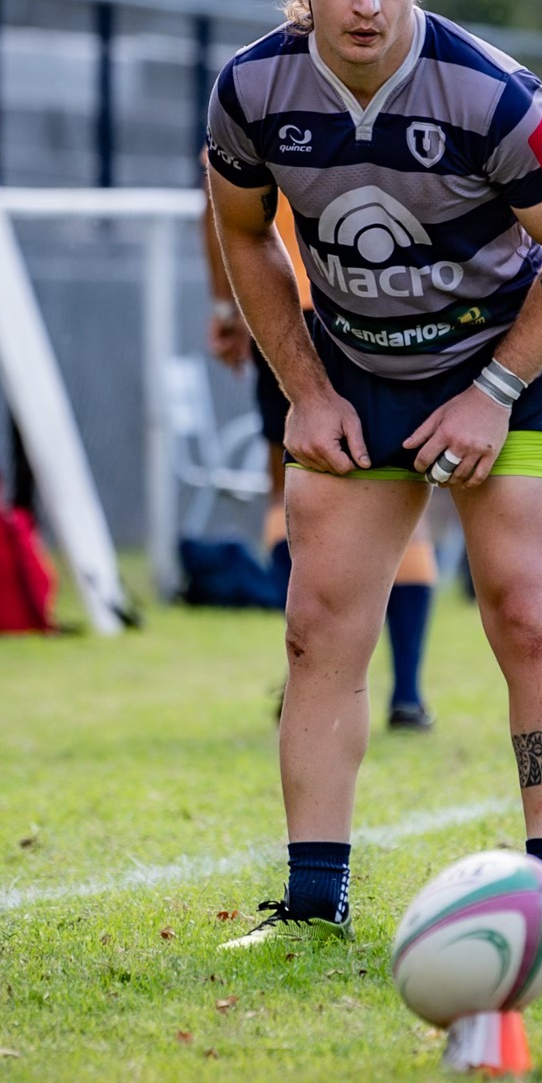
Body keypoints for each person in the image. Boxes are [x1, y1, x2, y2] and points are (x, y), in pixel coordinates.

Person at [205, 0, 542, 947]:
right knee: (316, 634)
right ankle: (310, 905)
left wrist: (491, 391)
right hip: (351, 379)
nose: (364, 1)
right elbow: (241, 235)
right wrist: (302, 387)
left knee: (526, 613)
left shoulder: (493, 94)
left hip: (502, 370)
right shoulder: (250, 88)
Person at [199, 176, 439, 730]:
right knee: (402, 490)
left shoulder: (251, 101)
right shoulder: (390, 95)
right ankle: (405, 693)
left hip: (286, 310)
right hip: (379, 311)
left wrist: (227, 307)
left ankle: (313, 670)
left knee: (289, 490)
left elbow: (217, 211)